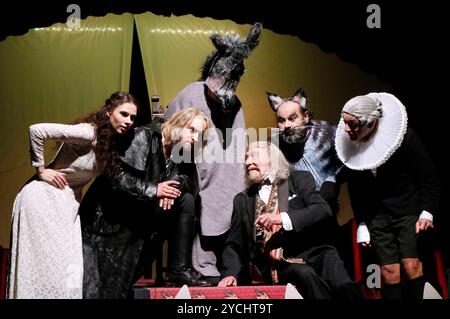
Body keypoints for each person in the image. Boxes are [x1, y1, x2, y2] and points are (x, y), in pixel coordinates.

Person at [7, 92, 138, 299]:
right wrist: (41, 170)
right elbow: (37, 131)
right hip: (42, 198)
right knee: (43, 268)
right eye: (124, 114)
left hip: (65, 204)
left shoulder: (109, 145)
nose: (128, 121)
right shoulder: (88, 133)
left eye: (132, 117)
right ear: (108, 112)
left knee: (66, 269)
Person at [164, 23, 263, 284]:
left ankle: (231, 266)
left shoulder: (234, 104)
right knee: (197, 202)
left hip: (225, 168)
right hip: (192, 167)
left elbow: (238, 141)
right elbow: (170, 131)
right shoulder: (190, 94)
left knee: (234, 200)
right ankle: (200, 267)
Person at [80, 107, 212, 299]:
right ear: (177, 124)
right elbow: (116, 177)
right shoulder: (143, 136)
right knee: (100, 291)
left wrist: (173, 189)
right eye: (192, 130)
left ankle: (178, 270)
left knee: (187, 200)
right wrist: (155, 190)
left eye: (200, 136)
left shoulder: (183, 151)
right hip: (107, 224)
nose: (195, 138)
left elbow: (190, 181)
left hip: (140, 223)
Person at [218, 141, 362, 299]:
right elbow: (234, 244)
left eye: (254, 155)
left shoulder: (299, 179)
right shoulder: (242, 200)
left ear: (272, 158)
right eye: (246, 157)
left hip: (316, 253)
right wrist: (230, 273)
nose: (248, 162)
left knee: (343, 283)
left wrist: (282, 218)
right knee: (305, 274)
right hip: (279, 264)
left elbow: (322, 209)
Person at [335, 92, 441, 299]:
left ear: (370, 122)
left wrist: (427, 212)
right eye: (345, 123)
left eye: (353, 124)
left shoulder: (405, 138)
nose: (347, 129)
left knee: (411, 265)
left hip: (407, 210)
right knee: (389, 272)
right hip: (377, 216)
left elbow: (430, 178)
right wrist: (363, 224)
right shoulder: (352, 147)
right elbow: (356, 190)